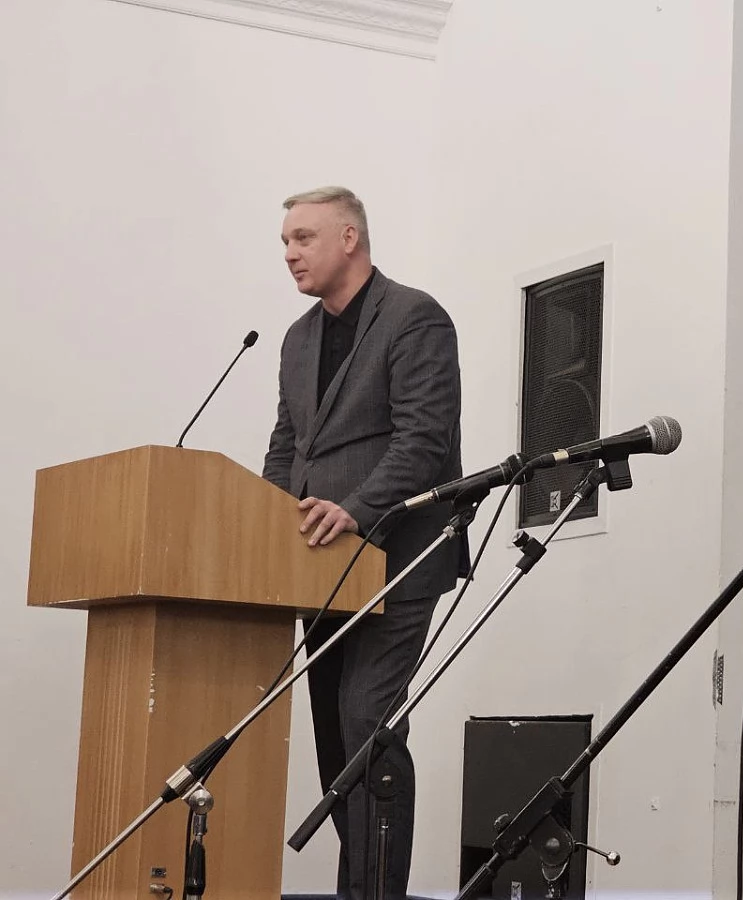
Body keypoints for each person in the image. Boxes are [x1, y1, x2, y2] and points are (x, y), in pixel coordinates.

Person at [263, 186, 464, 899]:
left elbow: (423, 442)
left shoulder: (414, 318)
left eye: (304, 238)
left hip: (398, 559)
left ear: (349, 238)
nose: (290, 254)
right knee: (335, 745)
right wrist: (266, 522)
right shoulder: (297, 339)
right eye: (285, 242)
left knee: (366, 724)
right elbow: (287, 447)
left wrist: (352, 510)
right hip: (319, 567)